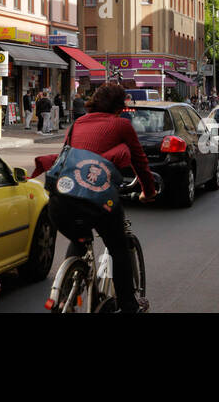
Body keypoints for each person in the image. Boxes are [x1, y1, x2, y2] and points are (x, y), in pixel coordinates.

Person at [36, 82, 155, 313]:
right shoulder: (121, 125)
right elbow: (140, 161)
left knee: (79, 239)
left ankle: (63, 297)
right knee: (118, 248)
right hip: (97, 202)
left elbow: (66, 159)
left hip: (61, 201)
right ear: (120, 107)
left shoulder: (78, 123)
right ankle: (129, 306)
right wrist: (148, 191)